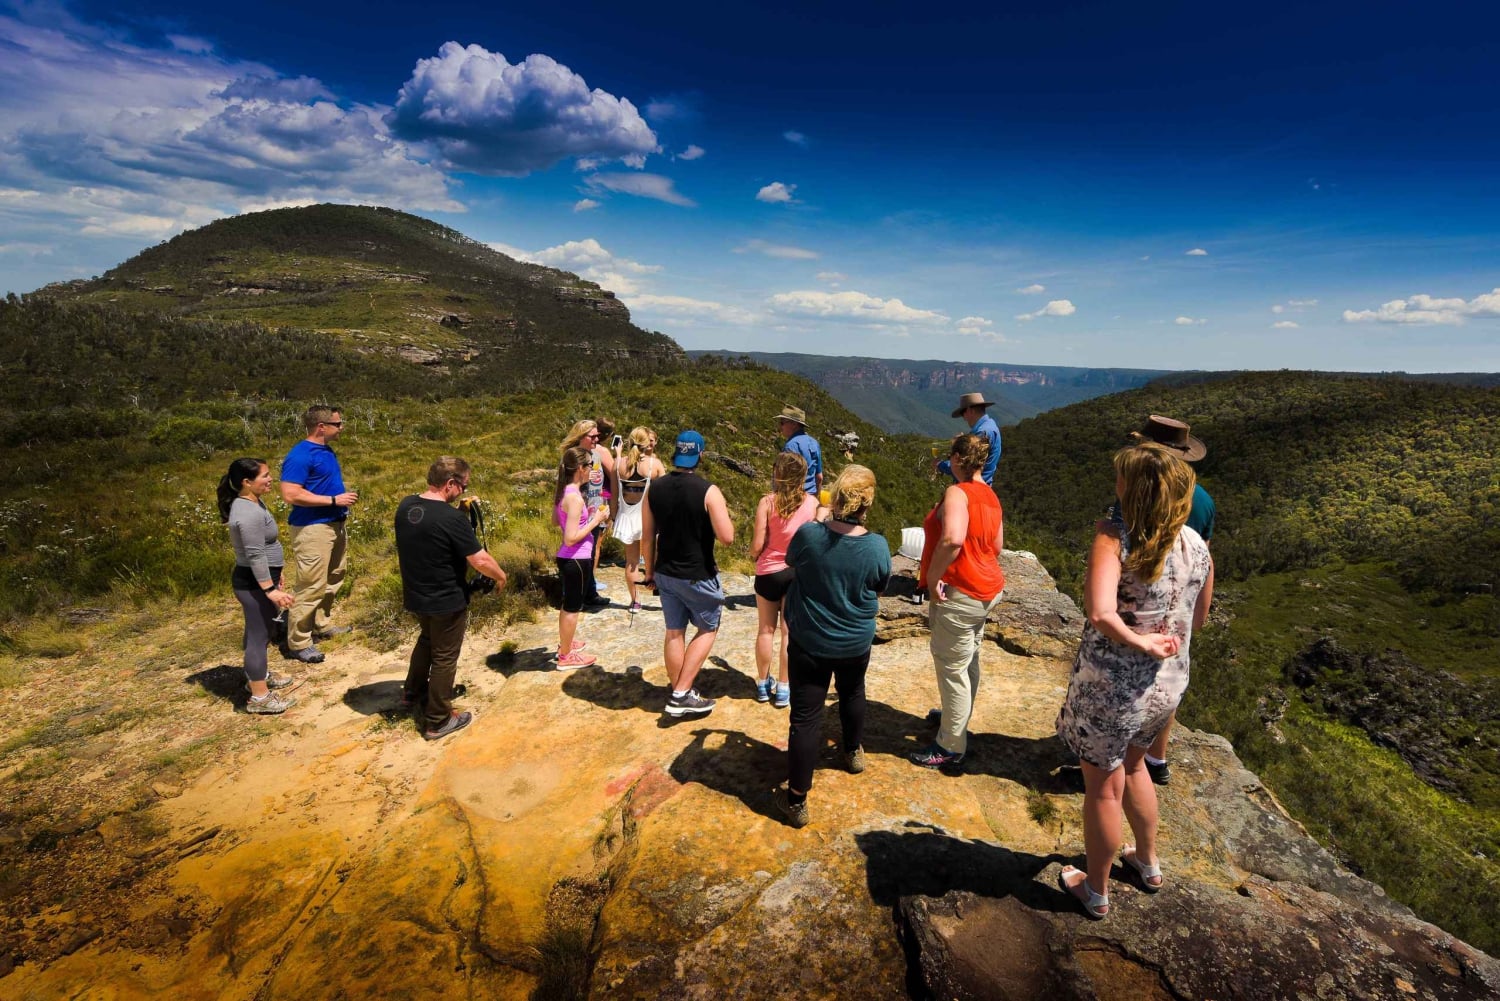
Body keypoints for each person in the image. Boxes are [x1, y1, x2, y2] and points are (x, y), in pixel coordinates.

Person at [1055, 443, 1214, 918]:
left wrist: (1139, 641)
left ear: (1137, 490)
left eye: (1122, 479)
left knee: (1103, 789)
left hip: (1111, 689)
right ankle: (1147, 863)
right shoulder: (1197, 544)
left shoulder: (1114, 538)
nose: (1116, 486)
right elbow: (1199, 619)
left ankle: (1096, 891)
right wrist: (1160, 642)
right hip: (1166, 685)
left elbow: (1101, 612)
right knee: (1137, 767)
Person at [776, 465, 892, 828]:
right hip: (855, 639)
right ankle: (853, 751)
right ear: (867, 504)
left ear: (838, 497)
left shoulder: (810, 535)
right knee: (853, 692)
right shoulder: (877, 546)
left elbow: (792, 561)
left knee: (805, 717)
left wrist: (822, 520)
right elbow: (880, 585)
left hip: (809, 639)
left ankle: (797, 801)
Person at [1121, 415, 1216, 785]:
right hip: (1182, 601)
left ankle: (1124, 760)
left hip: (1145, 597)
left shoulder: (1142, 489)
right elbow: (1205, 557)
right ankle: (1156, 759)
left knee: (1138, 682)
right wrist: (1199, 611)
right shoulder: (1203, 499)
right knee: (1168, 677)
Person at [911, 432, 1006, 770]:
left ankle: (950, 745)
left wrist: (935, 577)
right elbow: (995, 546)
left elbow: (952, 539)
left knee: (952, 667)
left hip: (961, 590)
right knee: (968, 660)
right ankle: (956, 720)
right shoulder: (990, 495)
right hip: (988, 588)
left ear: (956, 460)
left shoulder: (957, 492)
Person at [395, 457, 508, 741]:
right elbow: (479, 559)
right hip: (446, 598)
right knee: (445, 657)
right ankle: (438, 719)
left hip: (416, 593)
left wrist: (457, 513)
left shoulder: (406, 506)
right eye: (463, 485)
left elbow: (432, 533)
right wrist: (500, 576)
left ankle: (412, 692)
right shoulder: (452, 519)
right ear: (450, 484)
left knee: (427, 640)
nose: (464, 490)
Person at [641, 430, 734, 717]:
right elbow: (727, 536)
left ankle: (679, 690)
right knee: (708, 628)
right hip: (698, 572)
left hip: (665, 572)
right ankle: (681, 694)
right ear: (700, 455)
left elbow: (646, 537)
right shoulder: (709, 491)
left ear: (675, 455)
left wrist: (649, 571)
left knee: (674, 631)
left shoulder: (654, 488)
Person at [219, 458, 299, 714]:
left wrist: (277, 574)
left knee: (260, 632)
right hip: (254, 584)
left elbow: (265, 549)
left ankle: (259, 676)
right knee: (258, 635)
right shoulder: (247, 512)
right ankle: (259, 697)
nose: (270, 479)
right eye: (264, 475)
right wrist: (270, 589)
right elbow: (254, 555)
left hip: (261, 580)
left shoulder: (252, 502)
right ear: (246, 482)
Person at [280, 405, 358, 664]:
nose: (341, 427)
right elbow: (291, 494)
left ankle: (320, 624)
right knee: (311, 583)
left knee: (334, 577)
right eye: (337, 423)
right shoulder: (300, 455)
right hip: (313, 528)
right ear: (321, 426)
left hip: (334, 523)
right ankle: (299, 642)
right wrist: (334, 500)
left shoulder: (325, 451)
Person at [749, 451, 819, 709]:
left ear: (778, 474)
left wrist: (755, 556)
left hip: (768, 571)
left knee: (765, 630)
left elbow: (757, 544)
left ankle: (762, 684)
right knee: (789, 633)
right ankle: (784, 688)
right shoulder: (812, 504)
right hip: (796, 573)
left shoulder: (766, 503)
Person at [555, 446, 610, 669]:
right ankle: (566, 657)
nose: (591, 469)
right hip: (576, 558)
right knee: (572, 608)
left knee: (568, 605)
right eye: (589, 465)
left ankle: (565, 644)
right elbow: (570, 538)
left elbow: (555, 520)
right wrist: (596, 520)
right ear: (580, 468)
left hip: (570, 559)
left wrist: (583, 517)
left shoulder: (564, 492)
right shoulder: (575, 498)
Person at [612, 426, 666, 614]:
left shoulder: (618, 463)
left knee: (631, 562)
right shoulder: (654, 464)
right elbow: (666, 493)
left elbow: (613, 495)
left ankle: (635, 601)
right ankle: (659, 591)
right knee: (655, 559)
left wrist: (613, 515)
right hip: (648, 517)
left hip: (627, 517)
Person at [559, 419, 613, 605]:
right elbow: (562, 486)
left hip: (594, 510)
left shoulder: (596, 456)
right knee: (573, 552)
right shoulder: (571, 457)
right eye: (593, 436)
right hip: (576, 511)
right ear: (581, 437)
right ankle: (571, 596)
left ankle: (589, 592)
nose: (597, 438)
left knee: (589, 553)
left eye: (598, 435)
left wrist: (605, 507)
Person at [936, 392, 1001, 486]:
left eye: (963, 413)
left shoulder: (982, 432)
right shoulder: (990, 425)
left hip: (973, 487)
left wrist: (940, 464)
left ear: (971, 410)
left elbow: (965, 466)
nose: (964, 418)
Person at [777, 405, 823, 496]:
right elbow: (819, 477)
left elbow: (786, 480)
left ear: (794, 424)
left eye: (782, 422)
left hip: (794, 498)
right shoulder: (814, 443)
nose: (780, 426)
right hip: (811, 497)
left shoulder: (791, 445)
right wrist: (815, 501)